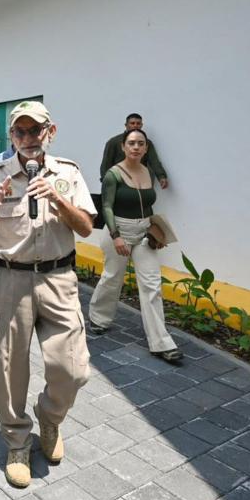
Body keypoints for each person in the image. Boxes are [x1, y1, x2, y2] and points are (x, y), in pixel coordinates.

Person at [0, 100, 93, 488]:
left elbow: (86, 227)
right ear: (11, 136)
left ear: (49, 132)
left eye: (35, 130)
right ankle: (17, 442)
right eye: (20, 132)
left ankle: (50, 418)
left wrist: (57, 199)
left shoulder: (67, 173)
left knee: (72, 369)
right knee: (10, 368)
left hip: (59, 278)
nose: (28, 138)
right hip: (12, 280)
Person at [87, 128, 182, 362]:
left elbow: (147, 204)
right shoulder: (113, 174)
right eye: (131, 143)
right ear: (123, 146)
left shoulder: (148, 172)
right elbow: (106, 206)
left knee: (152, 284)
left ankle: (161, 342)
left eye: (141, 143)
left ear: (146, 148)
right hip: (118, 230)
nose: (136, 147)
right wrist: (116, 236)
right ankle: (99, 318)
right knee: (112, 277)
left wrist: (154, 230)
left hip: (143, 233)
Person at [100, 113, 168, 189]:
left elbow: (154, 161)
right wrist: (106, 181)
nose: (135, 126)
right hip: (119, 181)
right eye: (132, 123)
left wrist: (161, 176)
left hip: (139, 180)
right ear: (126, 125)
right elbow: (106, 163)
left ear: (141, 125)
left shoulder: (146, 143)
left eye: (138, 123)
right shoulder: (114, 142)